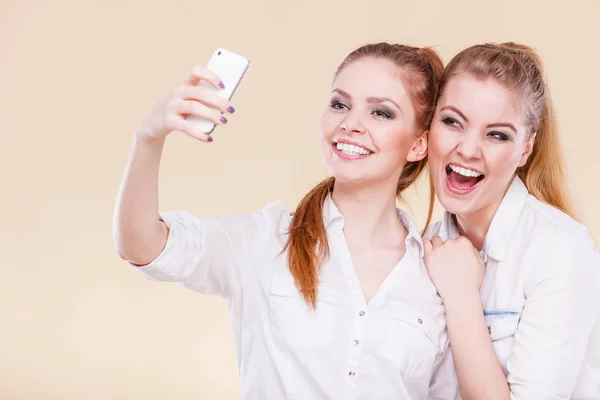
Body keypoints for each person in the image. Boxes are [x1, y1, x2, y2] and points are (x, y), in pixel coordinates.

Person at [113, 42, 459, 399]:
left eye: (381, 113)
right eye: (340, 104)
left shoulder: (436, 276)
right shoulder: (266, 240)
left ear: (419, 144)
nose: (350, 124)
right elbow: (144, 246)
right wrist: (148, 139)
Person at [423, 42, 600, 399]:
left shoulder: (558, 249)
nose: (469, 149)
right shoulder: (422, 246)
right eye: (452, 121)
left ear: (525, 149)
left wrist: (460, 295)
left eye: (497, 134)